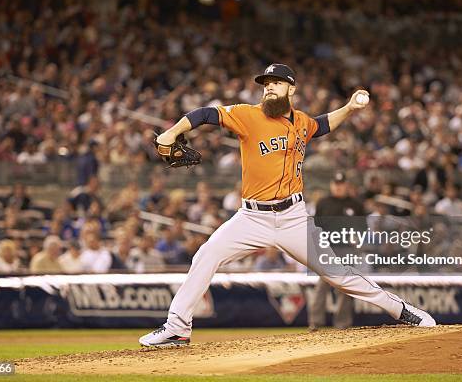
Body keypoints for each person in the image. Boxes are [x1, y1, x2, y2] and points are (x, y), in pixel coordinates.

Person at [139, 64, 435, 348]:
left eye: (276, 83)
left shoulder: (302, 121)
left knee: (338, 275)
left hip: (294, 218)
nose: (269, 89)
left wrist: (350, 108)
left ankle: (403, 311)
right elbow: (206, 114)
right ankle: (177, 329)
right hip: (251, 217)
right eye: (266, 85)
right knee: (206, 255)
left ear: (291, 89)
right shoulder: (247, 115)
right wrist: (172, 132)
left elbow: (321, 125)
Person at [308, 171, 365, 331]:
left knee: (345, 287)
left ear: (346, 185)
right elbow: (315, 227)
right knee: (322, 286)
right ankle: (315, 322)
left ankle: (342, 324)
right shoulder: (323, 203)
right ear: (332, 185)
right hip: (327, 249)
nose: (338, 187)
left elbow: (363, 227)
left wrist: (357, 236)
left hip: (347, 249)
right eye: (336, 184)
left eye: (341, 184)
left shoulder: (356, 204)